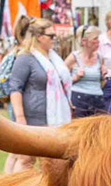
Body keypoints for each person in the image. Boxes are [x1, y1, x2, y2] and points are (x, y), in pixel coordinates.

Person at [4, 19, 71, 172]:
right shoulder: (25, 58)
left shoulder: (54, 58)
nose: (54, 39)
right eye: (51, 36)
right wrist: (20, 117)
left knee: (52, 159)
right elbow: (15, 88)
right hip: (32, 117)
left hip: (53, 117)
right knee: (26, 158)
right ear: (40, 37)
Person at [66, 26, 107, 117]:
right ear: (84, 41)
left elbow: (102, 84)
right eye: (95, 39)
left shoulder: (100, 58)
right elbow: (62, 81)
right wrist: (75, 77)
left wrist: (103, 77)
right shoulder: (74, 57)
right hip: (79, 99)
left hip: (97, 99)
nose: (98, 41)